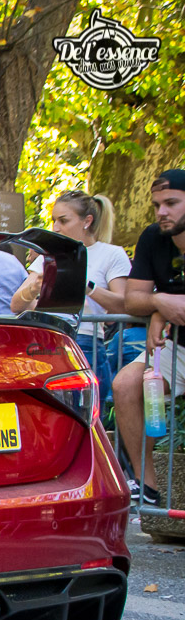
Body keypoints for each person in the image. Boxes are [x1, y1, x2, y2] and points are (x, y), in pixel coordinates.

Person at [9, 191, 129, 409]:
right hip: (47, 342)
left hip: (85, 342)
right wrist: (35, 287)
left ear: (87, 221)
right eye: (54, 220)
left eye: (63, 221)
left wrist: (86, 286)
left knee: (87, 416)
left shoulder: (111, 254)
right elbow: (16, 304)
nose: (55, 228)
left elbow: (122, 305)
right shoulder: (49, 256)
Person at [112, 169, 185, 504]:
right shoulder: (153, 237)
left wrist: (161, 309)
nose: (161, 212)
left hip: (171, 337)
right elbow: (132, 299)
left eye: (171, 203)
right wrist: (160, 304)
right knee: (125, 384)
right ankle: (147, 487)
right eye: (157, 205)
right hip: (176, 346)